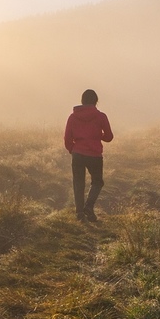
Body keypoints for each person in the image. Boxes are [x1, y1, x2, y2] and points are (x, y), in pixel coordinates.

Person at [64, 89, 113, 222]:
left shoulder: (73, 117)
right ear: (96, 102)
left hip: (78, 153)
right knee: (97, 182)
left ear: (82, 101)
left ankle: (79, 213)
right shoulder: (101, 116)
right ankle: (89, 206)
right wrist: (98, 136)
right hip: (95, 154)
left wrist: (72, 150)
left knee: (78, 183)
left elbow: (67, 137)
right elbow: (109, 137)